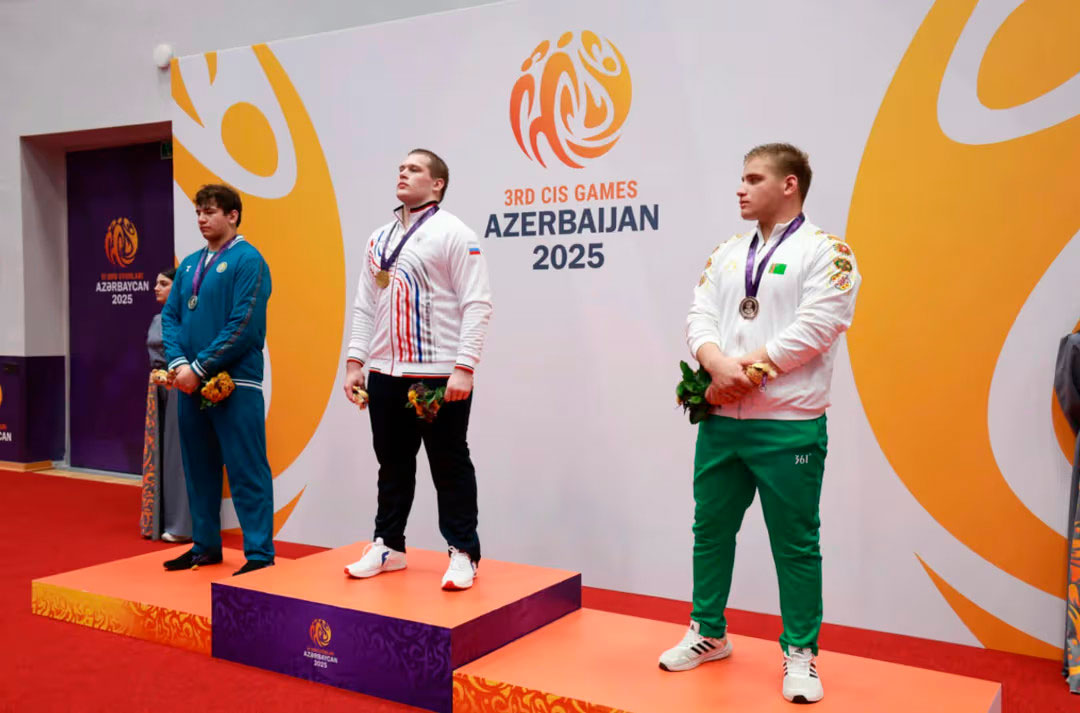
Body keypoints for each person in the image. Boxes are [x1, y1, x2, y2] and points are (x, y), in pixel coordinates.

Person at [658, 143, 860, 704]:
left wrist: (741, 373)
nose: (740, 189)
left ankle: (801, 653)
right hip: (722, 422)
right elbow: (700, 315)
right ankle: (708, 632)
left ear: (789, 184)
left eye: (753, 179)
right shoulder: (726, 253)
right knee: (710, 531)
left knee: (795, 544)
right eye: (741, 179)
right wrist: (715, 363)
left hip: (788, 425)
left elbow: (817, 327)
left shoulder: (828, 252)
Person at [343, 149, 492, 591]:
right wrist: (355, 362)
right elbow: (365, 304)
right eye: (401, 168)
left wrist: (464, 367)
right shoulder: (378, 239)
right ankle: (389, 545)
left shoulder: (455, 233)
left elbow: (477, 303)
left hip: (438, 374)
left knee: (449, 463)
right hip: (385, 372)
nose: (403, 174)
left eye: (414, 169)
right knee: (391, 464)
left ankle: (463, 552)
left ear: (437, 183)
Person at [160, 183, 275, 576]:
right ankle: (205, 546)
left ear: (232, 215)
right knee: (198, 468)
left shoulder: (249, 260)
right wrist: (179, 364)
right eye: (198, 212)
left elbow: (245, 324)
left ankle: (259, 553)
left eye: (210, 212)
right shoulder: (189, 265)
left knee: (246, 468)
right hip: (189, 383)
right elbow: (171, 317)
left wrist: (199, 367)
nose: (201, 219)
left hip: (235, 384)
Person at [140, 267, 192, 543]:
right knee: (158, 451)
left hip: (178, 385)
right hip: (157, 389)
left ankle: (182, 525)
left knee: (178, 453)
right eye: (156, 283)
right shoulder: (158, 318)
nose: (156, 288)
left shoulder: (188, 318)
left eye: (163, 283)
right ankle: (158, 519)